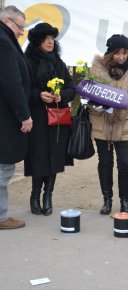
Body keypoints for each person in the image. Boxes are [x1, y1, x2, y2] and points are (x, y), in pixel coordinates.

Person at [88, 34, 128, 215]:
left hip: (125, 124)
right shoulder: (96, 68)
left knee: (125, 164)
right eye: (117, 53)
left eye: (124, 52)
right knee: (105, 163)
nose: (121, 57)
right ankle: (107, 200)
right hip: (102, 123)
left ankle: (124, 201)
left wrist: (124, 100)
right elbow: (86, 93)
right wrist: (95, 101)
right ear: (110, 53)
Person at [24, 23, 75, 216]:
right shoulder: (27, 61)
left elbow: (71, 88)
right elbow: (22, 89)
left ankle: (48, 196)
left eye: (52, 38)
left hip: (57, 118)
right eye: (46, 38)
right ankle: (35, 194)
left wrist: (61, 96)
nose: (50, 42)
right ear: (37, 41)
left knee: (54, 156)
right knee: (38, 156)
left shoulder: (58, 62)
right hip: (36, 117)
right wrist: (39, 95)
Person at [0, 6, 33, 229]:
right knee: (3, 170)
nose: (22, 32)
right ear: (7, 21)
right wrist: (24, 115)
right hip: (6, 117)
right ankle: (1, 217)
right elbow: (11, 83)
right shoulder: (3, 42)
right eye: (20, 27)